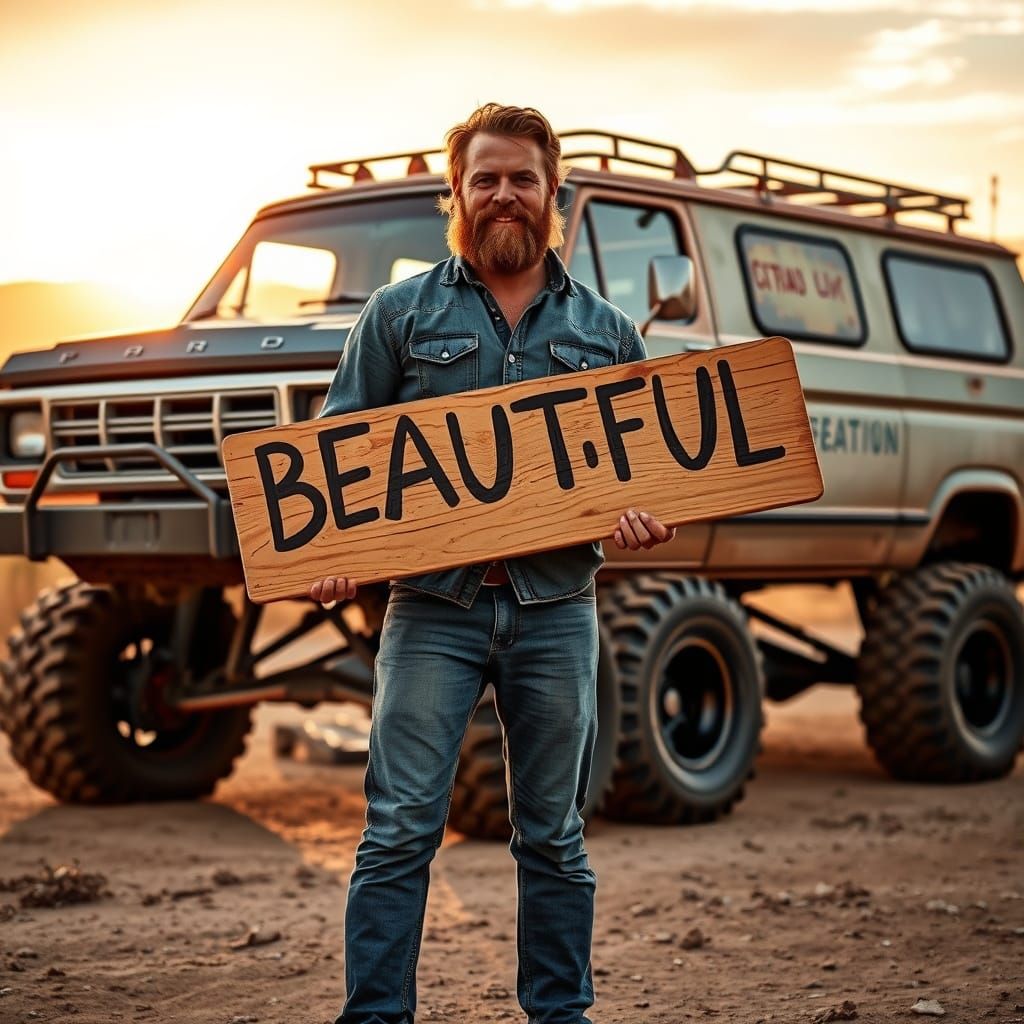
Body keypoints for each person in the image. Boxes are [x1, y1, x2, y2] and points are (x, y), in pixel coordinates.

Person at [310, 103, 676, 1024]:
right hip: (433, 610)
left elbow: (646, 471)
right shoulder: (398, 315)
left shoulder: (609, 334)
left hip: (558, 608)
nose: (503, 194)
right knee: (397, 832)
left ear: (555, 194)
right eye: (485, 179)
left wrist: (642, 519)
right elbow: (336, 453)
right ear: (457, 196)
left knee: (553, 836)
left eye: (522, 178)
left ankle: (561, 1015)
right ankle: (375, 1017)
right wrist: (328, 551)